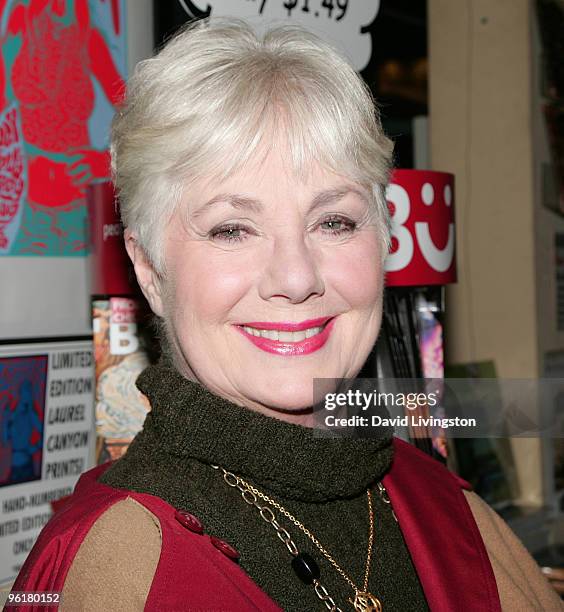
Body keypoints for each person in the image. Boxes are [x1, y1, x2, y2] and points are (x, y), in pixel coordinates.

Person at [9, 18, 563, 612]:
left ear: (383, 242)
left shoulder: (451, 510)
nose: (297, 278)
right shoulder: (115, 566)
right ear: (148, 267)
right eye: (232, 229)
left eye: (334, 222)